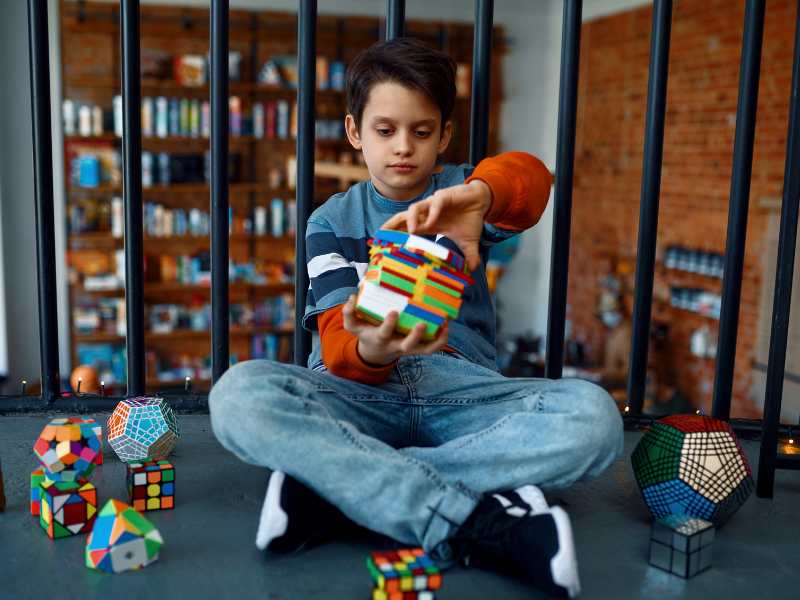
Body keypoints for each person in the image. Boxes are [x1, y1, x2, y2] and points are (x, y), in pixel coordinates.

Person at [209, 38, 623, 598]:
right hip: (360, 393)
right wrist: (373, 350)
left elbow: (533, 181)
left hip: (464, 390)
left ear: (444, 135)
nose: (403, 148)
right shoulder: (329, 221)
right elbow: (334, 343)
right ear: (356, 132)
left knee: (595, 419)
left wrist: (478, 192)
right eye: (385, 131)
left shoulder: (462, 194)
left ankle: (346, 489)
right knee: (238, 395)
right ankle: (479, 523)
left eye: (422, 132)